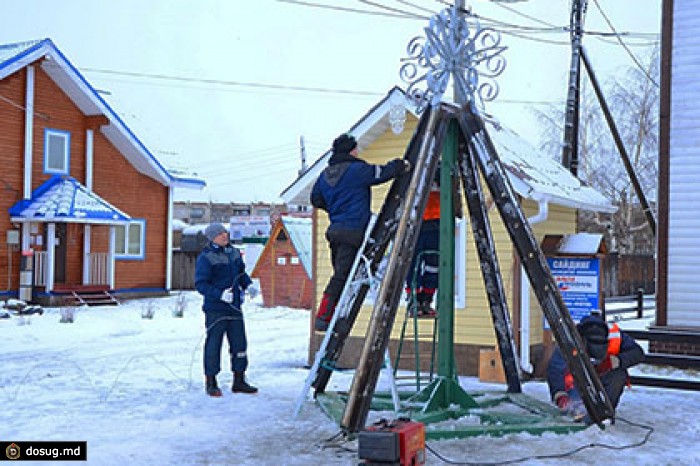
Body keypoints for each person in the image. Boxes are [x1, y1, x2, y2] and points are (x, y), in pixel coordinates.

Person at [310, 133, 410, 331]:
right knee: (342, 277)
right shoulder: (356, 170)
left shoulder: (325, 175)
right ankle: (323, 317)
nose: (358, 151)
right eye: (355, 148)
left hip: (335, 231)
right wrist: (401, 165)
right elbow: (381, 172)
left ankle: (333, 315)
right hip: (353, 230)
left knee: (343, 275)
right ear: (350, 150)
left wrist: (335, 209)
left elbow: (315, 199)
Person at [195, 222, 258, 397]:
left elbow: (241, 274)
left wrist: (248, 285)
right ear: (212, 237)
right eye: (221, 234)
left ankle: (239, 380)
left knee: (239, 344)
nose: (225, 236)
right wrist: (220, 294)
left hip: (235, 307)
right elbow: (201, 284)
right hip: (216, 309)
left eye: (225, 233)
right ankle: (211, 381)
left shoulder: (235, 253)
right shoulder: (206, 257)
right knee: (214, 345)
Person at [546, 314, 644, 421]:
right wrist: (560, 394)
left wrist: (615, 361)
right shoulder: (570, 338)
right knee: (571, 382)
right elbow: (555, 368)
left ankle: (605, 412)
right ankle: (577, 408)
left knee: (619, 375)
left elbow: (638, 353)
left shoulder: (615, 335)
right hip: (579, 378)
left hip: (605, 377)